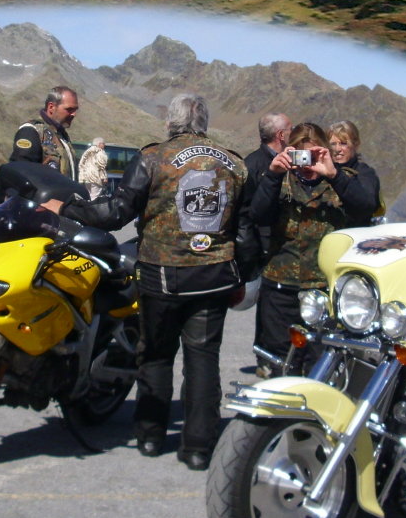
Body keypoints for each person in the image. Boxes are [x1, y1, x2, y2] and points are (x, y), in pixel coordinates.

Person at [59, 93, 256, 469]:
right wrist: (241, 276)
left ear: (171, 122)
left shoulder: (152, 158)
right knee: (203, 361)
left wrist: (67, 207)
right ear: (204, 122)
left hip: (160, 276)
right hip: (213, 277)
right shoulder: (234, 163)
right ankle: (198, 448)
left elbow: (117, 211)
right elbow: (245, 230)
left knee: (156, 356)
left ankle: (149, 436)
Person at [253, 123, 374, 370]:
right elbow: (258, 215)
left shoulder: (343, 180)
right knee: (278, 361)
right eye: (300, 155)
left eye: (312, 155)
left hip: (323, 289)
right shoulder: (279, 179)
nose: (306, 164)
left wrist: (333, 175)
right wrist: (274, 175)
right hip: (280, 288)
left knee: (320, 363)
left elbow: (365, 209)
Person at [240, 112, 292, 231]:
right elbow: (246, 212)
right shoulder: (251, 165)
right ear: (281, 135)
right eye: (291, 129)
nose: (294, 133)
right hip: (263, 239)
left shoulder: (291, 162)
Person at [9, 86, 79, 173]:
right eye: (69, 109)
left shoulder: (62, 136)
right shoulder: (31, 132)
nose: (74, 114)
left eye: (75, 110)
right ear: (51, 107)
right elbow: (20, 173)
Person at [328, 122, 384, 227]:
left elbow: (367, 204)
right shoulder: (322, 173)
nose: (337, 149)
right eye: (333, 144)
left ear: (356, 144)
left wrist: (336, 177)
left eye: (343, 143)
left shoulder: (365, 173)